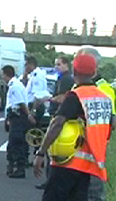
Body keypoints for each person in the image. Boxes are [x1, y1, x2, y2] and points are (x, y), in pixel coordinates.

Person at [22, 54, 113, 201]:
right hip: (90, 164)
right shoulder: (103, 98)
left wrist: (41, 152)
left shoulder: (76, 96)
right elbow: (111, 127)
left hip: (68, 161)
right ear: (94, 72)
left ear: (74, 71)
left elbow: (57, 124)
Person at [52, 46, 116, 201]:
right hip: (77, 156)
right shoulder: (80, 86)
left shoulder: (104, 89)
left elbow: (112, 123)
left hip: (93, 156)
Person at [35, 56, 75, 190]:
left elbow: (64, 97)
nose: (56, 67)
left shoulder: (66, 79)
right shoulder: (63, 78)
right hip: (58, 115)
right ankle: (51, 180)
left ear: (66, 65)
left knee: (51, 150)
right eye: (55, 64)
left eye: (59, 64)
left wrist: (49, 99)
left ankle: (51, 182)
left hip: (59, 117)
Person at [2, 65, 35, 178]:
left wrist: (28, 115)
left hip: (18, 117)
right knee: (13, 144)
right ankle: (13, 167)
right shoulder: (14, 84)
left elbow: (21, 103)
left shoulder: (15, 86)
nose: (2, 77)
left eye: (3, 75)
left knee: (16, 143)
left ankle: (19, 169)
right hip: (15, 116)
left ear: (6, 74)